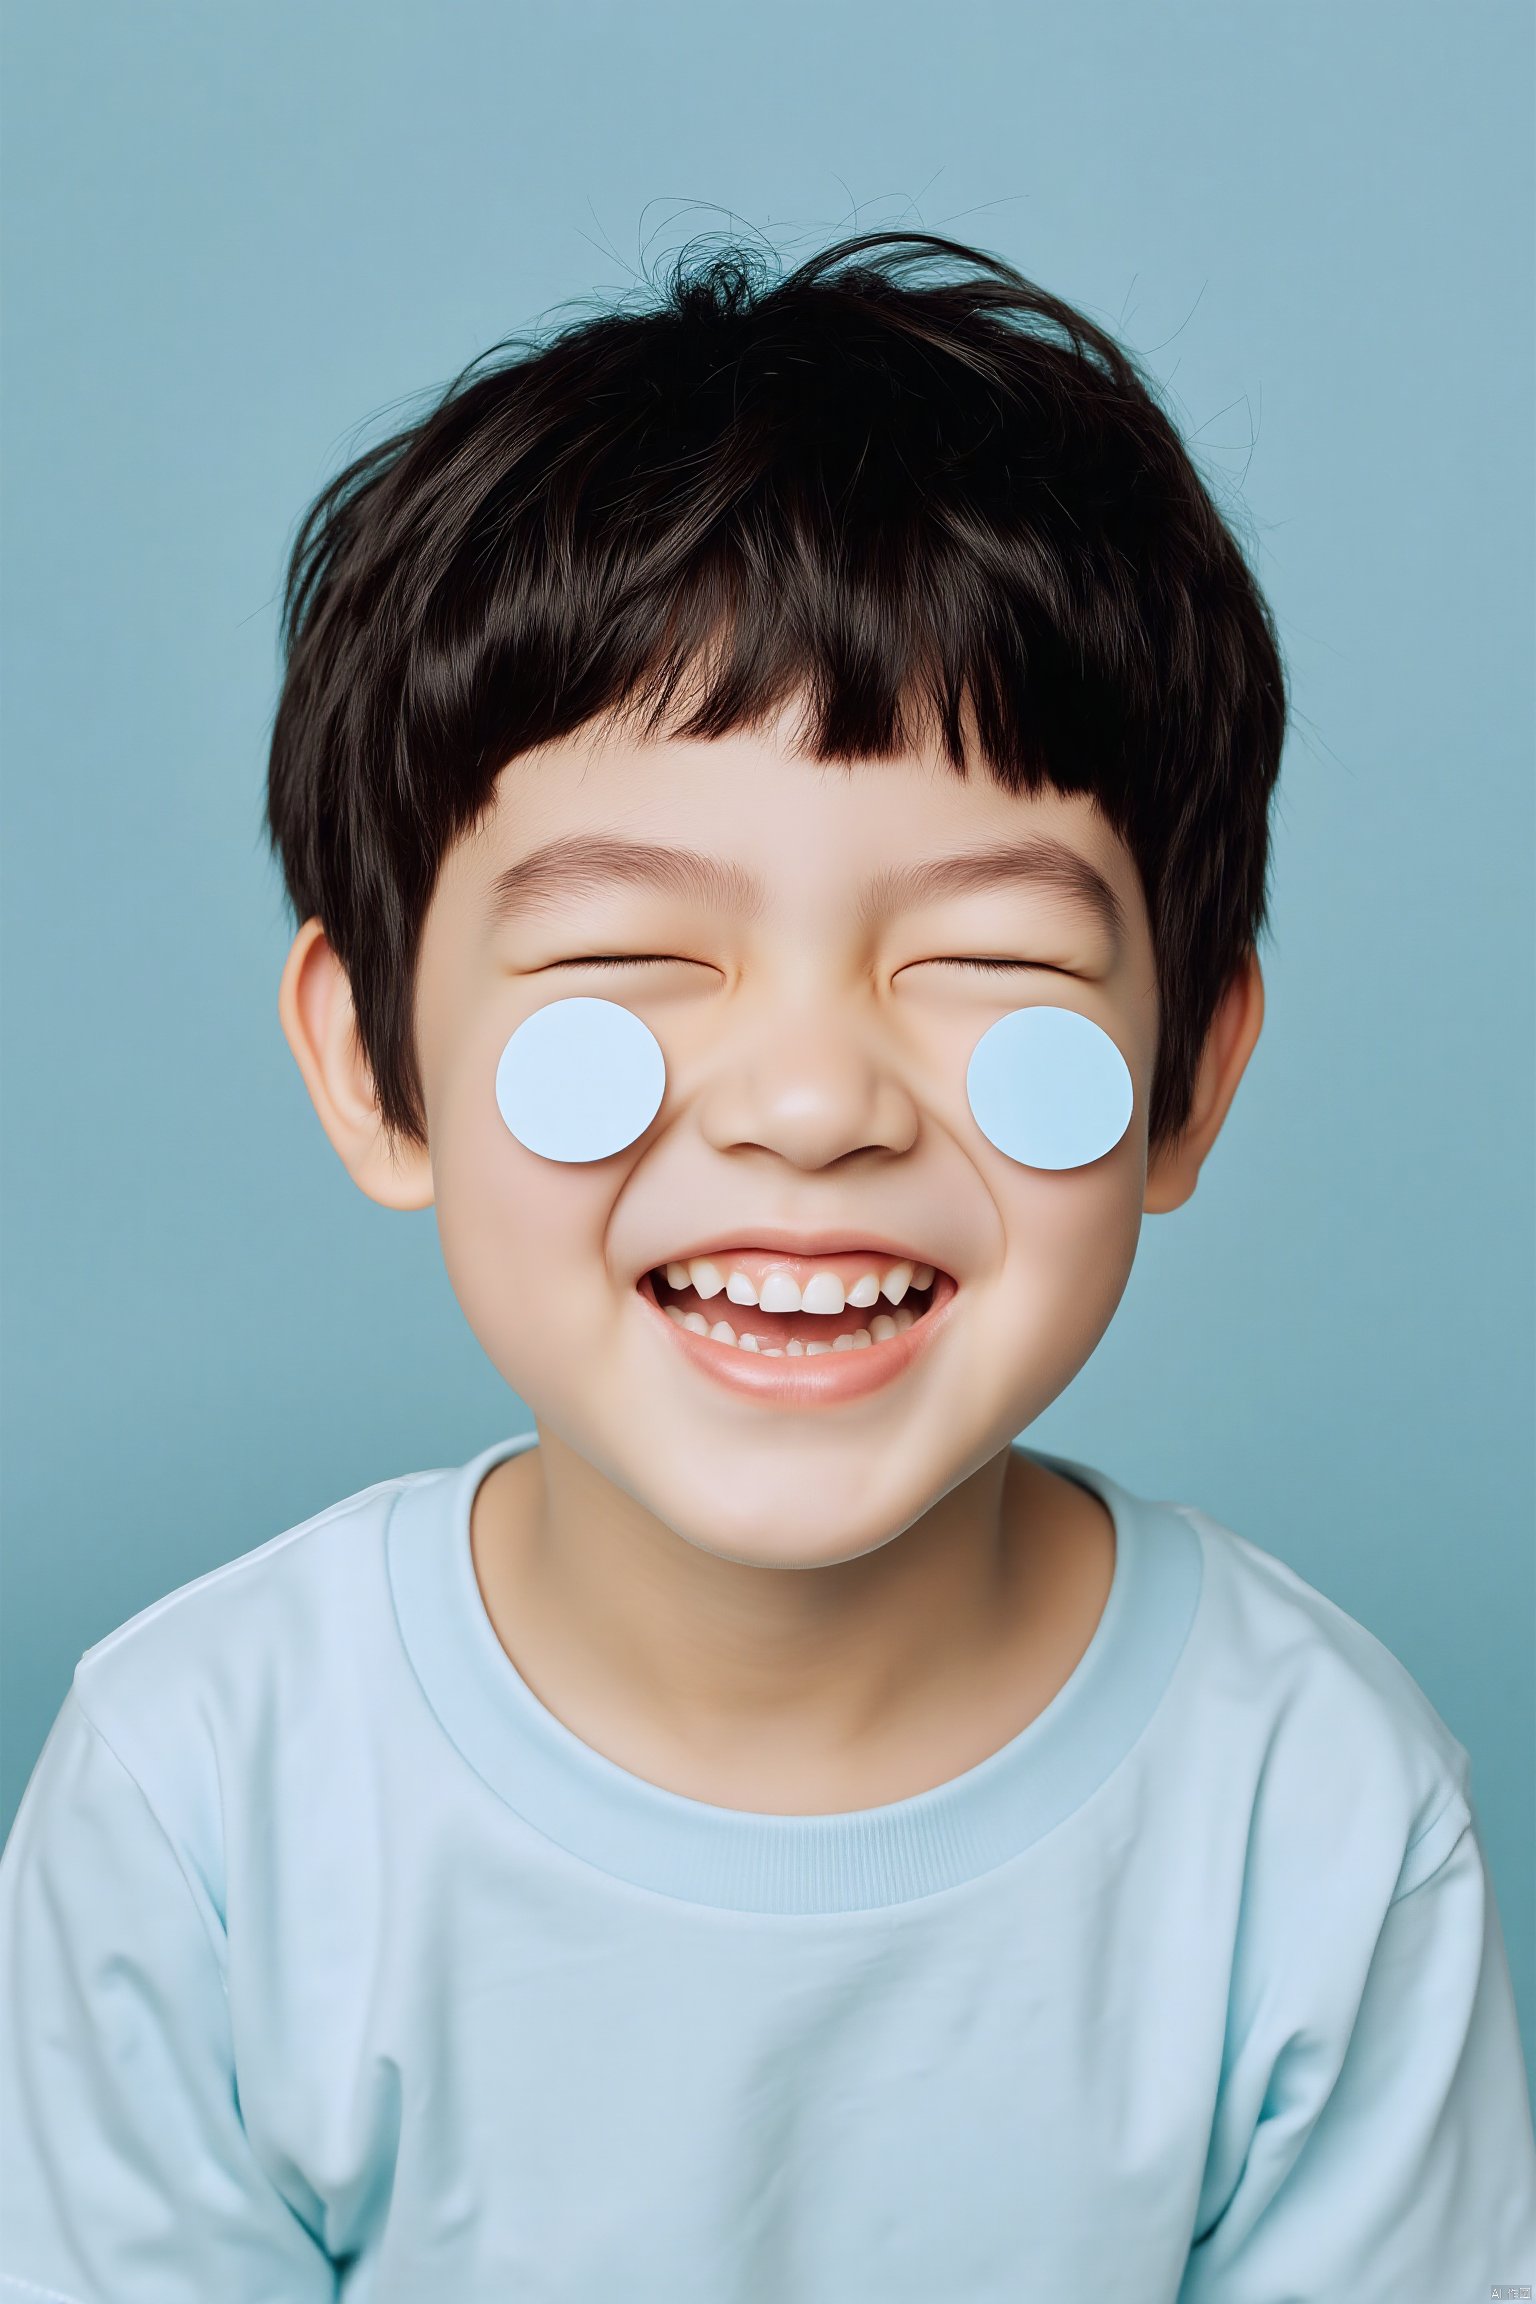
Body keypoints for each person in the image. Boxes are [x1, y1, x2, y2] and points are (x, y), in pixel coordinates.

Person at [2, 230, 1532, 2301]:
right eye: (630, 962)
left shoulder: (1323, 1812)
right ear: (377, 1066)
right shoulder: (197, 1796)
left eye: (991, 964)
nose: (814, 1102)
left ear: (1188, 1083)